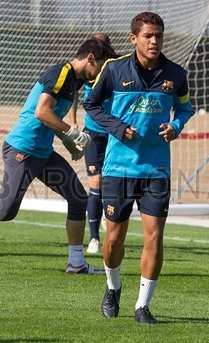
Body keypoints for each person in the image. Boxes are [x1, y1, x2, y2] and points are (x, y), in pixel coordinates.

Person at [0, 38, 114, 274]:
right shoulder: (62, 73)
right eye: (100, 66)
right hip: (22, 150)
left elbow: (52, 115)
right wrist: (72, 132)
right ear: (90, 58)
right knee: (4, 212)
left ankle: (76, 262)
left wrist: (67, 141)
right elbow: (41, 112)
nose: (99, 73)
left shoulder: (74, 81)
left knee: (78, 199)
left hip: (43, 152)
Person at [83, 12, 195, 324]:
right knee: (114, 240)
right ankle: (112, 286)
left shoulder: (176, 74)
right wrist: (117, 128)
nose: (154, 41)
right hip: (118, 169)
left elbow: (186, 108)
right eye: (148, 36)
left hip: (156, 169)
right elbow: (91, 105)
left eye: (158, 35)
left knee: (154, 237)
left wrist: (176, 124)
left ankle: (142, 306)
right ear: (133, 39)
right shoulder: (113, 70)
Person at [78, 32, 115, 254]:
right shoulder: (86, 70)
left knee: (110, 182)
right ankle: (93, 238)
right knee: (96, 182)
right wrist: (72, 121)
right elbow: (73, 94)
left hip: (113, 132)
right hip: (92, 132)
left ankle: (109, 224)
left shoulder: (114, 67)